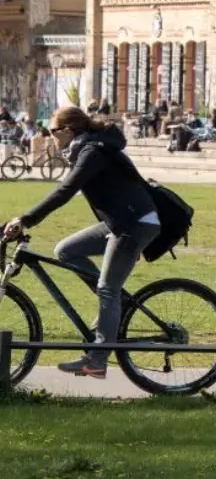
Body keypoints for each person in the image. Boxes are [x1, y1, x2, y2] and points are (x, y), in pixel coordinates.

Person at [3, 106, 161, 379]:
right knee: (66, 250)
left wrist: (26, 220)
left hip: (135, 224)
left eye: (53, 132)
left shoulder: (91, 151)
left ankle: (98, 360)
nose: (50, 137)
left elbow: (66, 191)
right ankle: (114, 303)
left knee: (107, 289)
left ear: (68, 130)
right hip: (121, 222)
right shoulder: (86, 148)